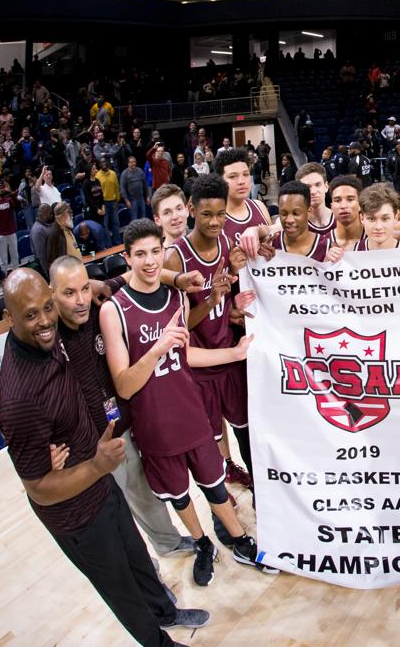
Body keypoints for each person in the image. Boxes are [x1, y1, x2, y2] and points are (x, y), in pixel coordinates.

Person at [0, 268, 208, 646]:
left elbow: (101, 284)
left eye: (47, 307)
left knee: (138, 558)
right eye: (31, 314)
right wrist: (95, 464)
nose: (45, 320)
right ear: (8, 319)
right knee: (121, 587)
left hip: (100, 480)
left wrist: (173, 280)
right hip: (76, 515)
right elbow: (40, 489)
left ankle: (167, 612)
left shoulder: (49, 331)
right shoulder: (21, 398)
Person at [99, 219, 274, 586]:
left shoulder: (176, 296)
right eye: (140, 254)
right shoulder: (113, 311)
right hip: (154, 422)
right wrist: (158, 348)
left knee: (214, 484)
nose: (149, 262)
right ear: (127, 257)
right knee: (179, 496)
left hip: (189, 410)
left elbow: (187, 355)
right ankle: (201, 544)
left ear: (164, 252)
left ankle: (241, 540)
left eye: (155, 252)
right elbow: (125, 386)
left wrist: (234, 352)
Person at [49, 256, 199, 559]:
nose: (80, 301)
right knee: (114, 514)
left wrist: (178, 280)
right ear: (51, 292)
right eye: (69, 293)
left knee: (143, 489)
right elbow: (8, 403)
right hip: (90, 446)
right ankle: (146, 575)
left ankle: (167, 543)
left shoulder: (100, 305)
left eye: (83, 290)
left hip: (122, 423)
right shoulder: (47, 336)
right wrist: (45, 446)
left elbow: (141, 274)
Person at [165, 174, 253, 493]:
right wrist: (212, 300)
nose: (215, 222)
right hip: (200, 371)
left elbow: (228, 300)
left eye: (220, 214)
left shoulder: (228, 245)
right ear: (191, 209)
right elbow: (179, 327)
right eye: (207, 214)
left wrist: (232, 302)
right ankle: (225, 511)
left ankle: (260, 491)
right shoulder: (176, 256)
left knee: (247, 436)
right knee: (213, 451)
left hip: (231, 360)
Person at [249, 181, 331, 260]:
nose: (289, 220)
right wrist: (258, 258)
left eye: (296, 213)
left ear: (309, 210)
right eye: (284, 214)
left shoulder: (327, 248)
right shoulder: (269, 245)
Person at [218, 148, 272, 245]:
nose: (241, 181)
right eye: (233, 176)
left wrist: (261, 231)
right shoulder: (216, 220)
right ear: (220, 180)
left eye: (246, 174)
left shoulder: (259, 206)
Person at [356, 184, 400, 250]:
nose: (378, 227)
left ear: (395, 217)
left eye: (385, 219)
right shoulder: (350, 254)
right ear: (362, 218)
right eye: (371, 219)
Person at [0, 180, 20, 274]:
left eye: (3, 186)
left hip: (11, 231)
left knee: (15, 257)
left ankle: (17, 276)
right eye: (1, 186)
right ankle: (4, 277)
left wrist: (9, 191)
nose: (2, 188)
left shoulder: (9, 199)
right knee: (3, 259)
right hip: (1, 233)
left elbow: (16, 204)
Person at [44, 202, 80, 274]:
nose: (72, 215)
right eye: (69, 213)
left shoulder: (68, 228)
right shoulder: (53, 234)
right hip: (68, 274)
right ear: (63, 215)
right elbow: (52, 262)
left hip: (77, 270)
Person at [95, 157, 121, 244]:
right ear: (99, 165)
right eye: (101, 163)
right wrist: (99, 205)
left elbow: (117, 187)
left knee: (115, 223)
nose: (104, 164)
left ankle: (118, 243)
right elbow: (97, 192)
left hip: (113, 201)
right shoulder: (97, 176)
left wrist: (117, 199)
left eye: (105, 162)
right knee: (105, 225)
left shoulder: (113, 173)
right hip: (104, 203)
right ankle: (109, 245)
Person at [120, 156, 151, 222]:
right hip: (132, 200)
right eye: (131, 162)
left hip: (141, 198)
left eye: (134, 162)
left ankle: (143, 231)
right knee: (134, 218)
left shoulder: (140, 171)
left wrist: (148, 196)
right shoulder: (124, 174)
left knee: (143, 217)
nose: (133, 163)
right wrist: (126, 200)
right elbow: (122, 188)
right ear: (128, 164)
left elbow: (145, 184)